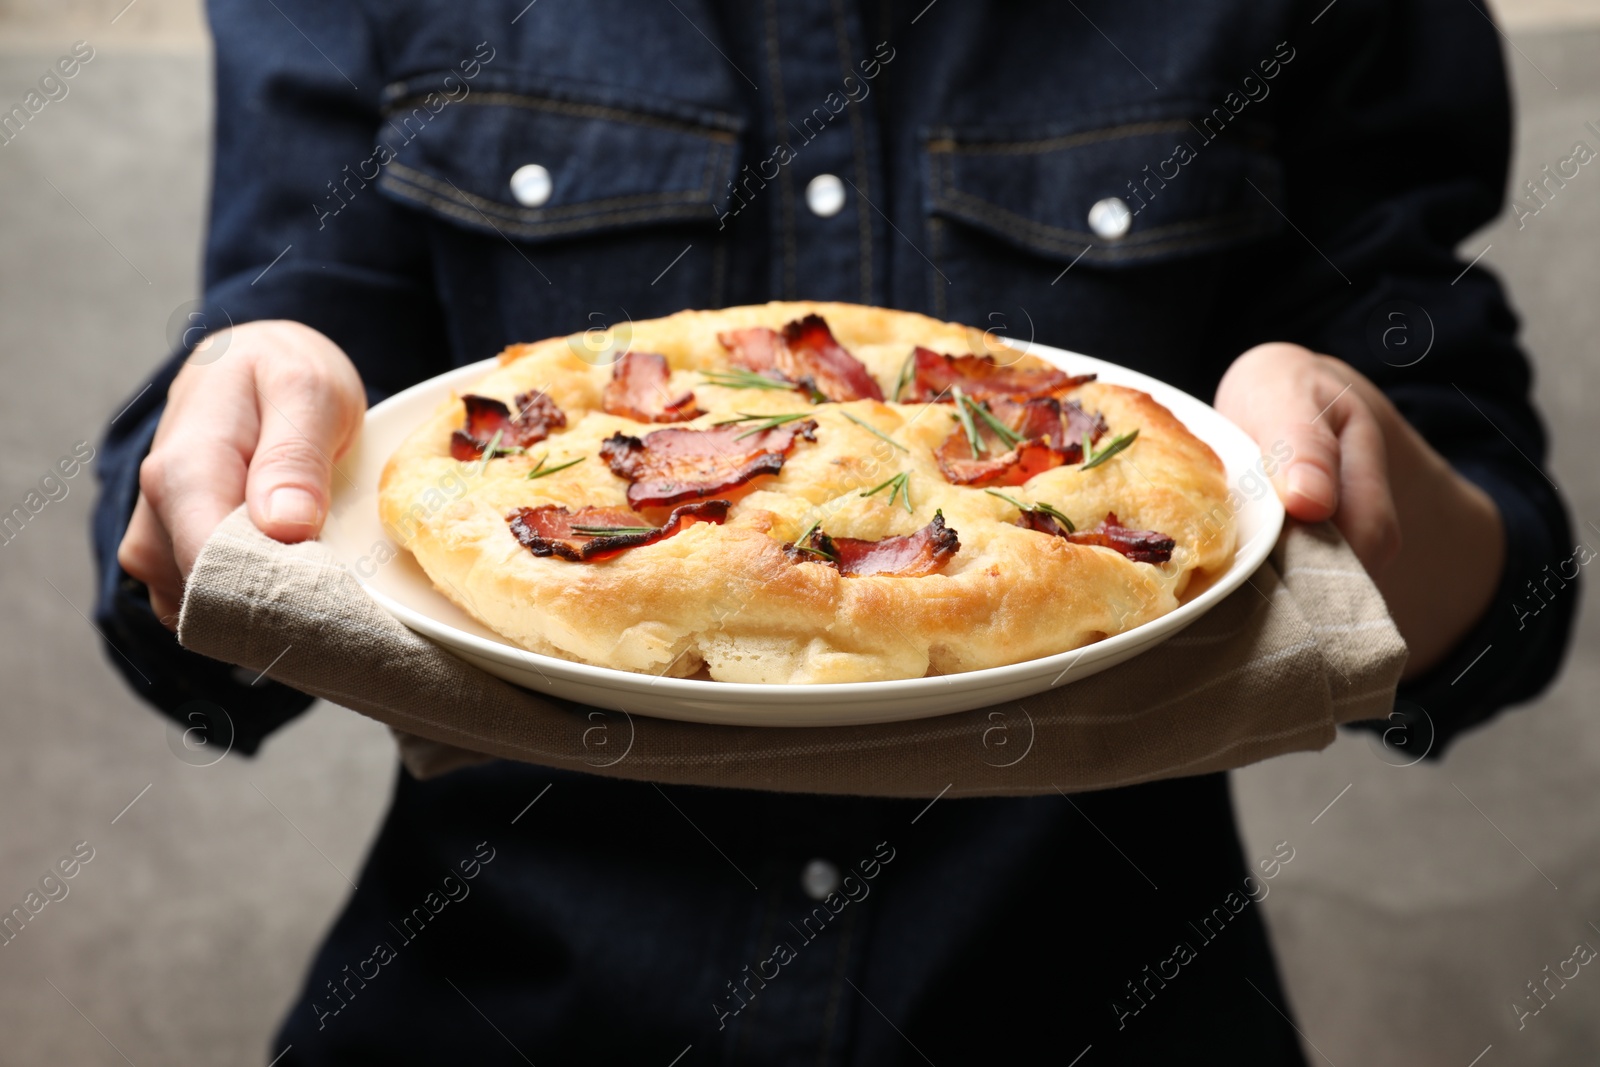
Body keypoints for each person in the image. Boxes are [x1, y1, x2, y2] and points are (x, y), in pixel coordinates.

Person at [93, 0, 1575, 1062]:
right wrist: (226, 479)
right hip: (492, 1007)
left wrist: (1353, 463)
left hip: (1102, 1003)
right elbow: (202, 601)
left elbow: (1505, 614)